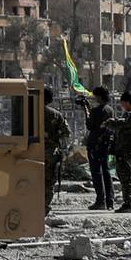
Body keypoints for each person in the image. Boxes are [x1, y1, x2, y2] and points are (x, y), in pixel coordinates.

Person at [105, 91, 131, 213]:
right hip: (130, 150)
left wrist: (109, 122)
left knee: (126, 178)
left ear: (126, 102)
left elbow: (120, 124)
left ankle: (128, 204)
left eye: (122, 102)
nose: (121, 105)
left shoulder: (130, 115)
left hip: (125, 150)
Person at [83, 86, 115, 210]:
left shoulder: (96, 111)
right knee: (106, 172)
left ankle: (100, 201)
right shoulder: (109, 110)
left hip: (95, 144)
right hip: (105, 144)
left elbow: (90, 125)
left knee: (96, 173)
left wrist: (86, 110)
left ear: (99, 97)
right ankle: (110, 201)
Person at [43, 87, 71, 216]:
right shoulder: (55, 114)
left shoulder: (28, 112)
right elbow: (66, 132)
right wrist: (53, 136)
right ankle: (44, 208)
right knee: (49, 182)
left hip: (30, 152)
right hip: (50, 152)